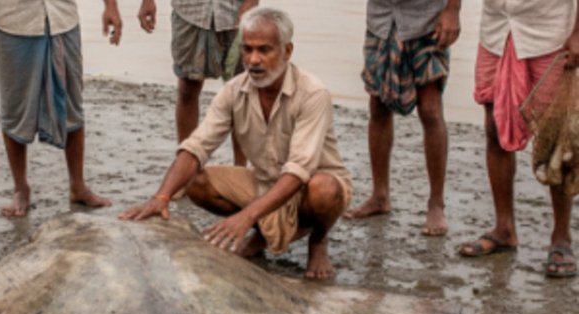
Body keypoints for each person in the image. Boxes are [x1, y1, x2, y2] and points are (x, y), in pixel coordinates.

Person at [120, 6, 353, 280]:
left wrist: (246, 216)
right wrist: (161, 197)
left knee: (323, 189)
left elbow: (299, 171)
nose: (253, 60)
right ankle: (261, 233)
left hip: (308, 185)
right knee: (196, 182)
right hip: (264, 180)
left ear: (287, 51)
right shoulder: (233, 90)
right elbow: (197, 146)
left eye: (264, 50)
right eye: (247, 49)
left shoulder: (313, 93)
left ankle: (318, 240)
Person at [0, 0, 121, 217]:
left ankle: (78, 186)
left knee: (72, 102)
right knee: (15, 106)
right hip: (14, 20)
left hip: (63, 17)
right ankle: (20, 188)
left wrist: (111, 7)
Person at [457, 0, 579, 278]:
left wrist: (577, 33)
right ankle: (504, 229)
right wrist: (451, 10)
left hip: (550, 34)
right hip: (497, 30)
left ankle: (561, 237)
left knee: (558, 140)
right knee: (494, 129)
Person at [344, 0, 461, 236]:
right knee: (377, 106)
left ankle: (436, 203)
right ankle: (380, 195)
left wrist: (452, 9)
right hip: (381, 16)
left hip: (427, 18)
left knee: (430, 110)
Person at [137, 0, 257, 167]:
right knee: (188, 89)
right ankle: (186, 168)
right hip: (189, 11)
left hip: (235, 13)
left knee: (241, 94)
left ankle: (240, 169)